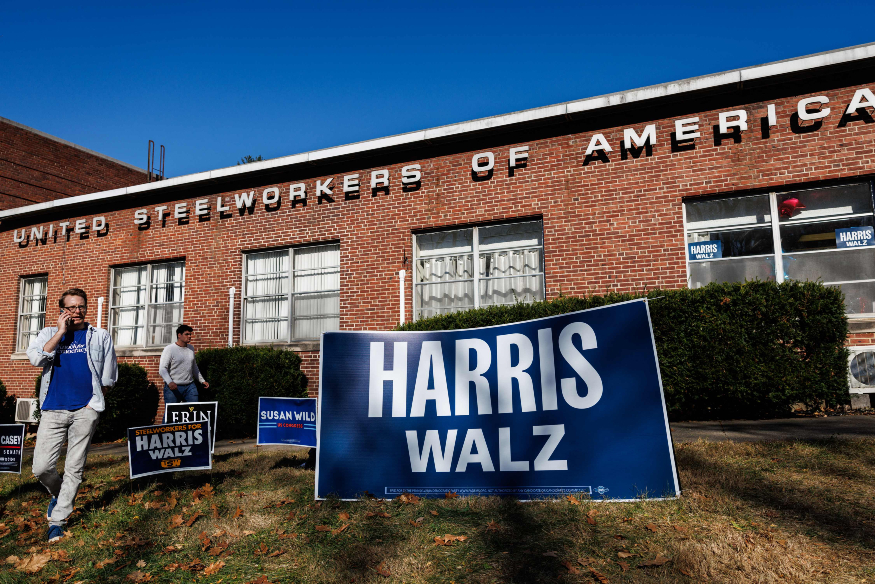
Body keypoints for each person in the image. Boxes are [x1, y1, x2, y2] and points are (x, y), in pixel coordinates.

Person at [26, 288, 117, 542]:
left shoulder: (99, 336)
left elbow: (109, 375)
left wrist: (93, 404)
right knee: (41, 467)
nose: (77, 312)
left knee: (74, 467)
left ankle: (58, 520)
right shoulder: (48, 334)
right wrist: (60, 332)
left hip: (85, 410)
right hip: (53, 407)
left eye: (81, 307)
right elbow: (36, 359)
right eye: (71, 307)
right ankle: (59, 495)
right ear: (62, 311)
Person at [159, 324, 209, 404]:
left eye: (190, 334)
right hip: (174, 387)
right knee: (171, 414)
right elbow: (162, 369)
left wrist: (202, 381)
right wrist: (169, 382)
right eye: (187, 334)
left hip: (190, 386)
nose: (189, 336)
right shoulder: (170, 349)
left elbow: (194, 367)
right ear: (179, 335)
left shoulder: (191, 348)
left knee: (193, 411)